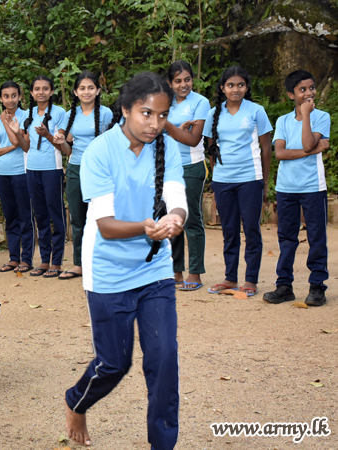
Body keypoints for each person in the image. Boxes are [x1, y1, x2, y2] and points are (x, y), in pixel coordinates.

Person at [64, 72, 187, 449]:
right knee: (115, 364)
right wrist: (148, 227)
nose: (155, 124)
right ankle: (76, 402)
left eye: (162, 116)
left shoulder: (168, 147)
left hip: (154, 269)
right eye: (146, 114)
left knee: (164, 361)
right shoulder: (99, 152)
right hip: (107, 272)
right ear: (125, 110)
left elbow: (177, 198)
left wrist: (176, 219)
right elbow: (105, 226)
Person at [202, 65, 273, 297]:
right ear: (222, 88)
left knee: (251, 230)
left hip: (250, 179)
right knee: (229, 231)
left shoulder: (256, 111)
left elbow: (266, 149)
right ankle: (230, 277)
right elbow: (211, 150)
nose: (235, 89)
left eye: (240, 85)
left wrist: (264, 183)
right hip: (223, 181)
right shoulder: (214, 113)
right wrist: (215, 178)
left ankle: (250, 279)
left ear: (246, 87)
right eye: (230, 85)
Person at [263, 70, 330, 307]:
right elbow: (280, 153)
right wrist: (313, 150)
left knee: (316, 237)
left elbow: (306, 141)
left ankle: (317, 286)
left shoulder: (322, 116)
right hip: (286, 188)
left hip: (313, 187)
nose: (309, 93)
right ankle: (284, 286)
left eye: (311, 88)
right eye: (302, 90)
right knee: (286, 238)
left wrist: (306, 117)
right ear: (291, 94)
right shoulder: (282, 121)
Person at [52, 71, 113, 280]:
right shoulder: (70, 115)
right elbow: (68, 150)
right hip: (76, 168)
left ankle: (102, 262)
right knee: (77, 219)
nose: (86, 91)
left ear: (97, 90)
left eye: (90, 87)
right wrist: (61, 143)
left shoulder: (106, 114)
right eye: (82, 88)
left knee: (101, 217)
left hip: (99, 170)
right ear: (76, 92)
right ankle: (79, 263)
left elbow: (111, 144)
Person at [12, 75, 68, 278]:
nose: (41, 92)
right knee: (40, 215)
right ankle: (44, 260)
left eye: (45, 89)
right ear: (32, 92)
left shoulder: (59, 113)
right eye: (37, 89)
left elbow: (60, 145)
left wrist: (47, 135)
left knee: (56, 213)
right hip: (32, 169)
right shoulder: (28, 113)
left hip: (52, 168)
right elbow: (26, 147)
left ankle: (57, 261)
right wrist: (17, 133)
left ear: (51, 92)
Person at [163, 61, 211, 291]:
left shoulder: (200, 102)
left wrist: (169, 128)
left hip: (191, 166)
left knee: (192, 219)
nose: (183, 85)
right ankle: (176, 271)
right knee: (172, 219)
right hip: (167, 167)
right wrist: (177, 130)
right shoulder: (164, 101)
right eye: (178, 81)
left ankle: (195, 273)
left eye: (187, 79)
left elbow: (193, 139)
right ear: (170, 83)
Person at [0, 81, 34, 273]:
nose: (10, 100)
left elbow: (21, 142)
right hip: (1, 174)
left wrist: (7, 123)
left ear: (20, 97)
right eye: (6, 96)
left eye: (14, 95)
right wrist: (10, 147)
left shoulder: (27, 116)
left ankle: (27, 258)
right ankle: (14, 258)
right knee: (10, 217)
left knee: (25, 216)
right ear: (1, 99)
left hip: (21, 172)